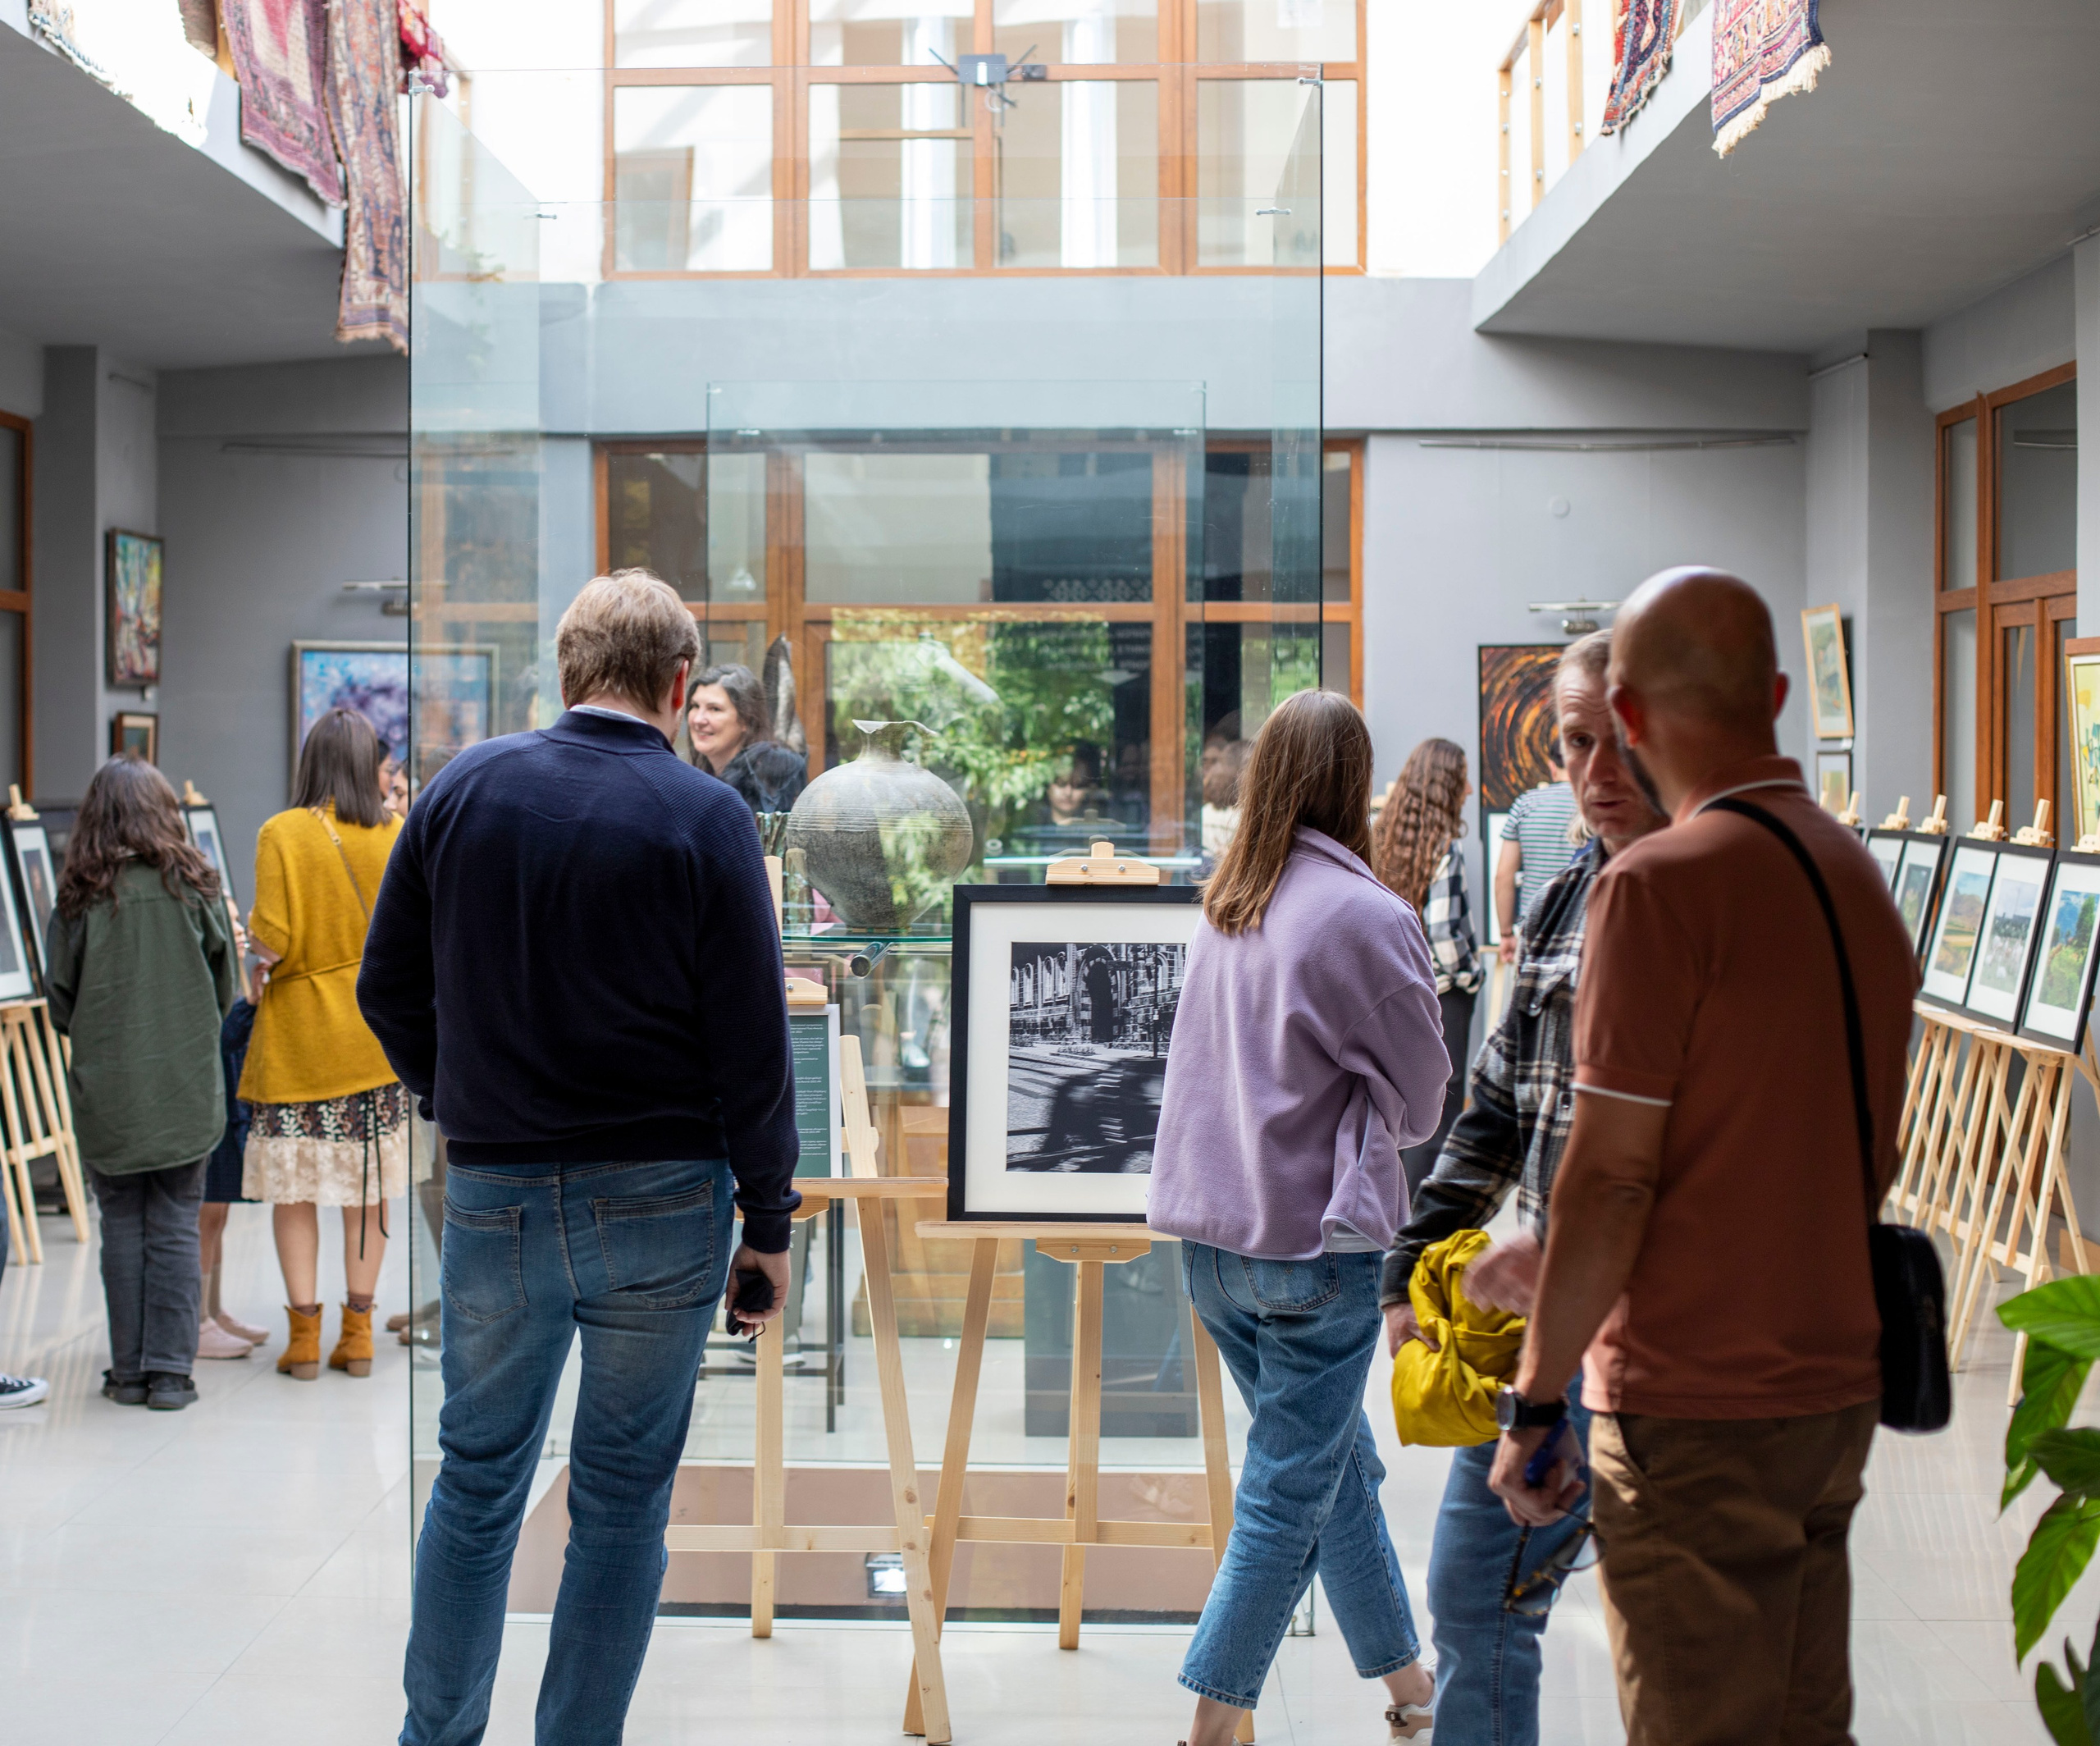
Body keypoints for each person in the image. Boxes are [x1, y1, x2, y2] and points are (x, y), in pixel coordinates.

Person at [360, 569, 798, 1746]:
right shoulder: (707, 818)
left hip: (495, 1190)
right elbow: (753, 1047)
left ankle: (436, 1735)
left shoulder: (461, 790)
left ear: (566, 675)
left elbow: (384, 984)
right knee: (618, 1505)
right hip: (663, 1201)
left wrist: (461, 1093)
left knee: (477, 1484)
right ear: (675, 684)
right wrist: (770, 1224)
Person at [1487, 569, 1916, 1746]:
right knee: (1801, 1725)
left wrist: (1536, 1399)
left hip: (1696, 1404)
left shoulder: (1658, 887)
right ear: (1777, 694)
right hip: (1834, 1388)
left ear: (1625, 717)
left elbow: (1616, 1175)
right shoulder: (1850, 871)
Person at [1149, 688, 1449, 1746]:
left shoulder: (1229, 902)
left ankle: (1411, 1685)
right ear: (1353, 783)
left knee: (1333, 1469)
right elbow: (1420, 1105)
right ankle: (1214, 1719)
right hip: (1311, 1251)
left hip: (1211, 1248)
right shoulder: (1367, 917)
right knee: (1289, 1488)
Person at [1382, 632, 1665, 1746]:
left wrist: (1550, 1397)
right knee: (1474, 1590)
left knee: (1677, 1652)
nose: (1597, 773)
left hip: (1652, 1350)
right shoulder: (1567, 897)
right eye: (1575, 743)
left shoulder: (1708, 904)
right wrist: (1413, 1259)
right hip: (1549, 1335)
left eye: (1622, 742)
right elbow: (1494, 1106)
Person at [46, 756, 238, 1411]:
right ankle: (170, 1375)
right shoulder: (197, 886)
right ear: (166, 814)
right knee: (178, 1223)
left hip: (110, 1090)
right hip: (185, 1084)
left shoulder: (78, 896)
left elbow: (60, 999)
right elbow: (225, 989)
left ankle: (127, 1372)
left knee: (122, 1224)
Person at [240, 707, 407, 1382]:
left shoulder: (281, 833)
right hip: (373, 1040)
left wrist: (257, 946)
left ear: (312, 760)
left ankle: (304, 1340)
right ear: (370, 765)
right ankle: (358, 1334)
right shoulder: (395, 832)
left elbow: (272, 937)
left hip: (299, 1041)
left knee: (296, 1192)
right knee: (367, 1191)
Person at [1373, 738, 1483, 1199]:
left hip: (1392, 988)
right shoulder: (1443, 849)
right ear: (1446, 786)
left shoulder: (1379, 836)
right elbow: (1441, 931)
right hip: (1441, 990)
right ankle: (1421, 1213)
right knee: (1440, 1100)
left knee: (1397, 1098)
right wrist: (1469, 972)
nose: (1471, 790)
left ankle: (1391, 1203)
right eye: (1462, 780)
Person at [196, 994, 268, 1360]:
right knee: (205, 1210)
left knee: (217, 1211)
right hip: (206, 1083)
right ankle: (196, 1321)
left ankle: (212, 1312)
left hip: (225, 1082)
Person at [686, 660, 807, 816]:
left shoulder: (769, 774)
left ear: (746, 719)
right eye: (695, 706)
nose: (698, 720)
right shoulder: (699, 778)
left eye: (715, 709)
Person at [1494, 754, 1580, 959]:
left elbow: (1504, 875)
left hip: (1535, 927)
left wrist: (1506, 934)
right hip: (1581, 929)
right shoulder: (1591, 802)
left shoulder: (1526, 803)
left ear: (1552, 766)